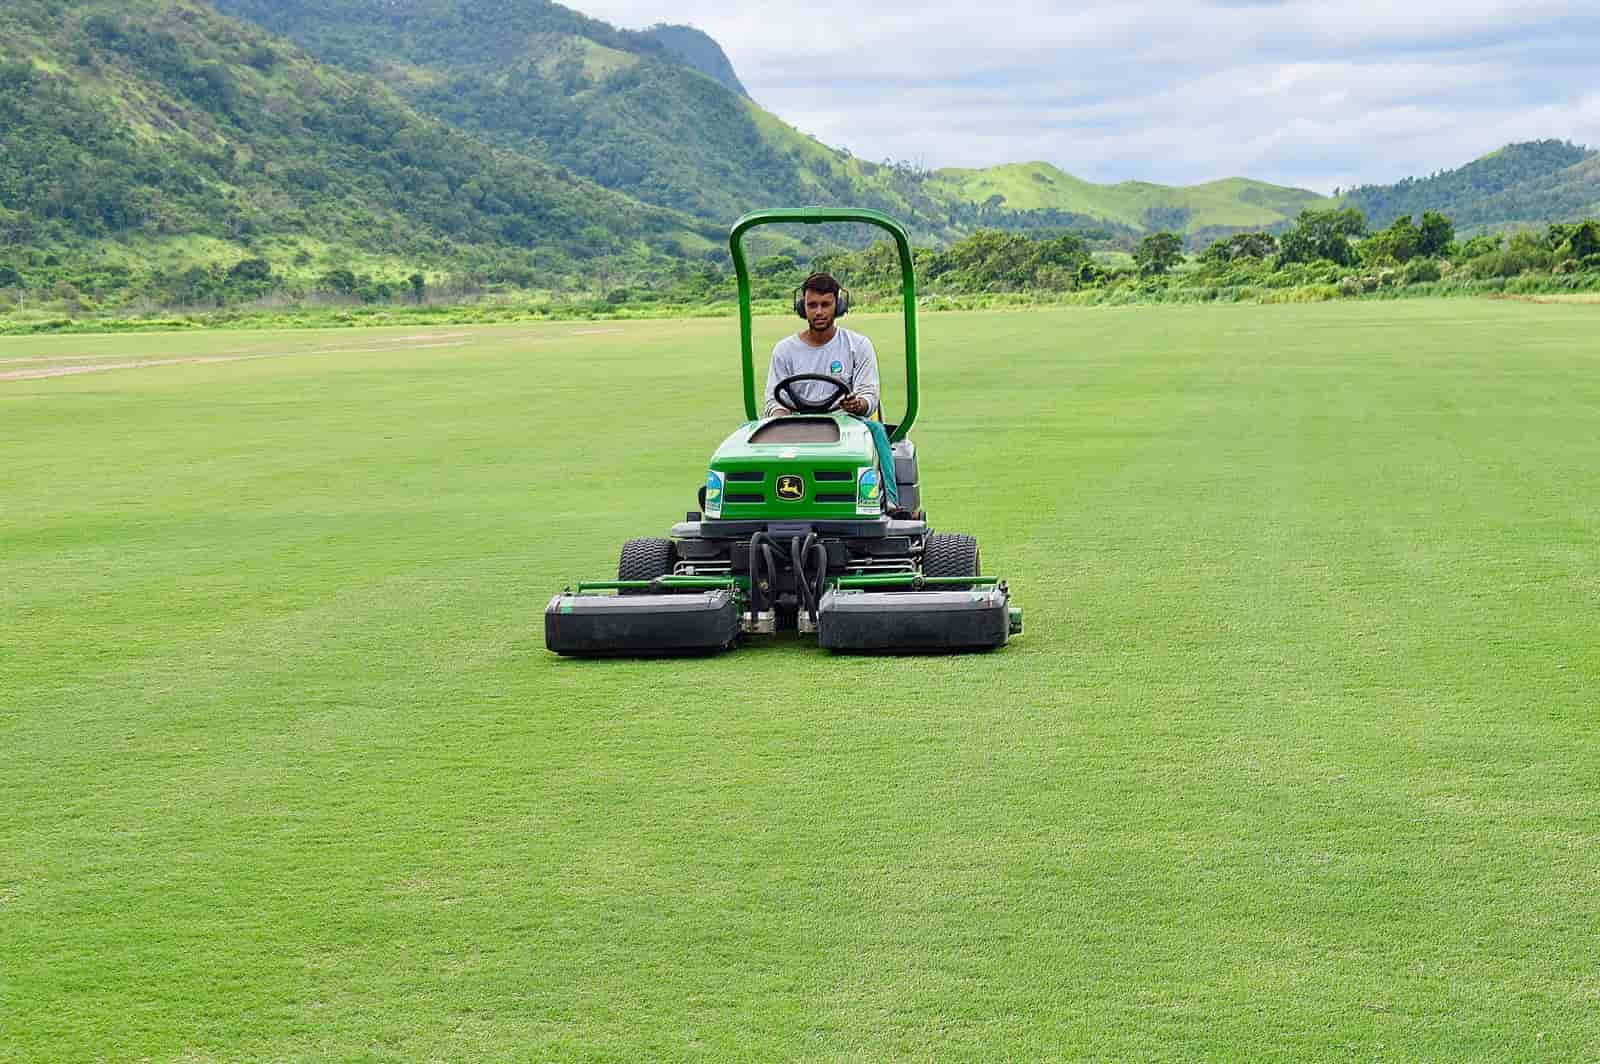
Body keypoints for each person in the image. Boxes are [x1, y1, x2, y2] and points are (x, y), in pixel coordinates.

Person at [763, 272, 900, 511]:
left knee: (877, 430)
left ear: (838, 305)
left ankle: (891, 503)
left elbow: (869, 393)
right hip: (795, 422)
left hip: (847, 421)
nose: (818, 312)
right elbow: (773, 400)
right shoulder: (784, 350)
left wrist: (858, 404)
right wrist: (779, 416)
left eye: (825, 305)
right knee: (751, 432)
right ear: (801, 307)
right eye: (812, 305)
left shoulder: (857, 345)